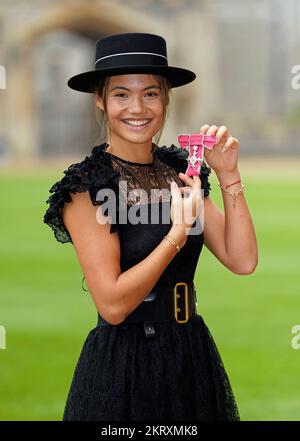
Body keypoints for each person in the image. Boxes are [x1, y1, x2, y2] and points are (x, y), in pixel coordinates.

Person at [43, 32, 258, 421]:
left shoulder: (181, 171)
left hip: (189, 353)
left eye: (151, 93)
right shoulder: (87, 187)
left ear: (166, 98)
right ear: (100, 99)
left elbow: (242, 260)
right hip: (124, 365)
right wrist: (176, 234)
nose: (137, 107)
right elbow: (112, 304)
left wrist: (229, 176)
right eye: (121, 94)